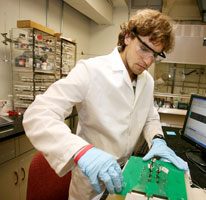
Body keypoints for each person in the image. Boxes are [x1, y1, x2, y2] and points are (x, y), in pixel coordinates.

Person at [23, 8, 188, 200]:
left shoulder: (147, 81)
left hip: (126, 174)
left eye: (156, 55)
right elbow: (39, 113)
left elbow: (149, 115)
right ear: (128, 37)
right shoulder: (91, 70)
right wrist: (82, 152)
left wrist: (157, 139)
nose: (148, 60)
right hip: (91, 181)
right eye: (144, 49)